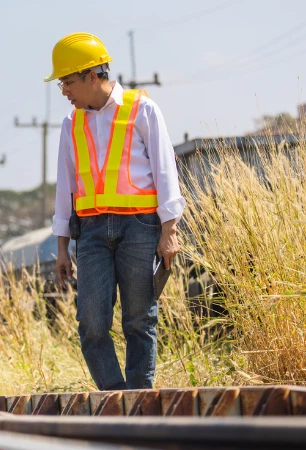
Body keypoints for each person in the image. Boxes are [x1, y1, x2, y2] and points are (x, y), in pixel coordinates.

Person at [48, 33, 184, 391]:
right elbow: (66, 186)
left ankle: (139, 400)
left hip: (141, 227)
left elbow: (165, 170)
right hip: (90, 232)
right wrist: (62, 247)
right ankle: (115, 397)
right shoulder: (70, 123)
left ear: (92, 76)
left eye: (68, 82)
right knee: (92, 322)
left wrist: (169, 230)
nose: (64, 91)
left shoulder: (142, 109)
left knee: (139, 319)